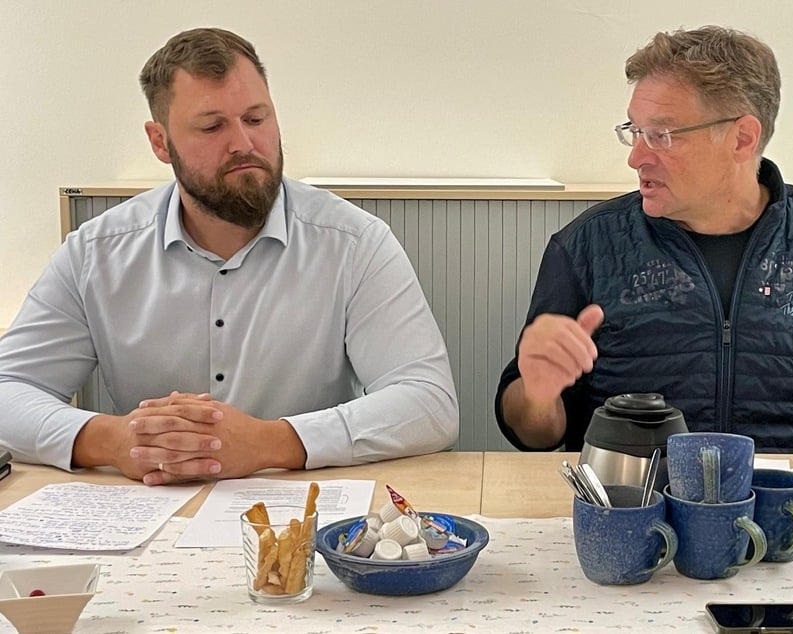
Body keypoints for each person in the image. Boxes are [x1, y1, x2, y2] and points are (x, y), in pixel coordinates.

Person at [0, 28, 458, 485]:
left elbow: (429, 403)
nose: (243, 143)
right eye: (212, 126)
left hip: (306, 510)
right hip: (150, 510)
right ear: (160, 142)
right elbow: (9, 390)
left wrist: (271, 442)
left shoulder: (353, 242)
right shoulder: (96, 254)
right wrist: (115, 440)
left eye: (256, 119)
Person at [495, 26, 793, 468]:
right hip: (635, 510)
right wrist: (538, 394)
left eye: (661, 135)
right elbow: (534, 433)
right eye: (634, 131)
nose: (636, 157)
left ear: (742, 138)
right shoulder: (587, 245)